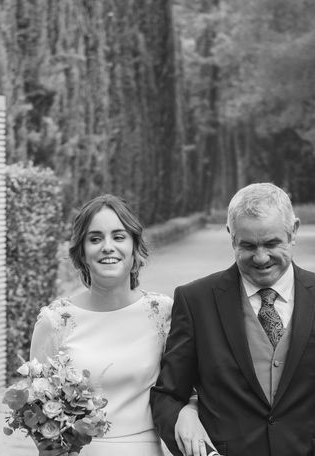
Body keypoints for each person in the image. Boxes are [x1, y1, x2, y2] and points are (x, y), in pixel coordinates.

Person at [150, 183, 315, 456]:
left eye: (272, 244)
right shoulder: (195, 301)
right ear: (231, 237)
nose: (261, 258)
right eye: (248, 246)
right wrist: (187, 430)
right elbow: (168, 396)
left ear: (294, 231)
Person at [30, 194, 207, 456]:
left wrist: (191, 409)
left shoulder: (162, 313)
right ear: (82, 252)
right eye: (95, 238)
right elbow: (35, 409)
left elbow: (192, 385)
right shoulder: (55, 320)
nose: (107, 246)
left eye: (119, 236)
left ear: (135, 247)